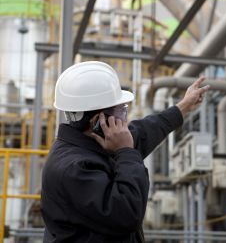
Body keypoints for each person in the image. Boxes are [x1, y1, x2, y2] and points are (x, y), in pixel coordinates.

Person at [41, 61, 209, 243]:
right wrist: (126, 152)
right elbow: (127, 213)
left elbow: (143, 132)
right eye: (121, 110)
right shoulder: (73, 169)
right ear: (98, 120)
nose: (125, 118)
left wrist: (183, 106)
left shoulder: (94, 143)